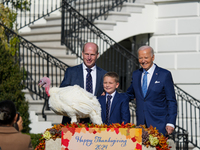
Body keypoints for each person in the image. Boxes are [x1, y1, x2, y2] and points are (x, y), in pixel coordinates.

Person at [126, 45, 177, 135]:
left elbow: (171, 101)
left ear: (153, 57)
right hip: (141, 124)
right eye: (140, 58)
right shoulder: (136, 74)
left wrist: (171, 122)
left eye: (146, 57)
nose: (143, 61)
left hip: (159, 123)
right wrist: (111, 94)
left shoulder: (164, 74)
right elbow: (130, 94)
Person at [60, 42, 107, 124]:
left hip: (95, 122)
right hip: (73, 122)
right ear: (82, 54)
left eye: (92, 54)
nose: (89, 57)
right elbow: (62, 93)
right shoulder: (71, 72)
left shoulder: (104, 75)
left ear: (97, 55)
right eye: (86, 54)